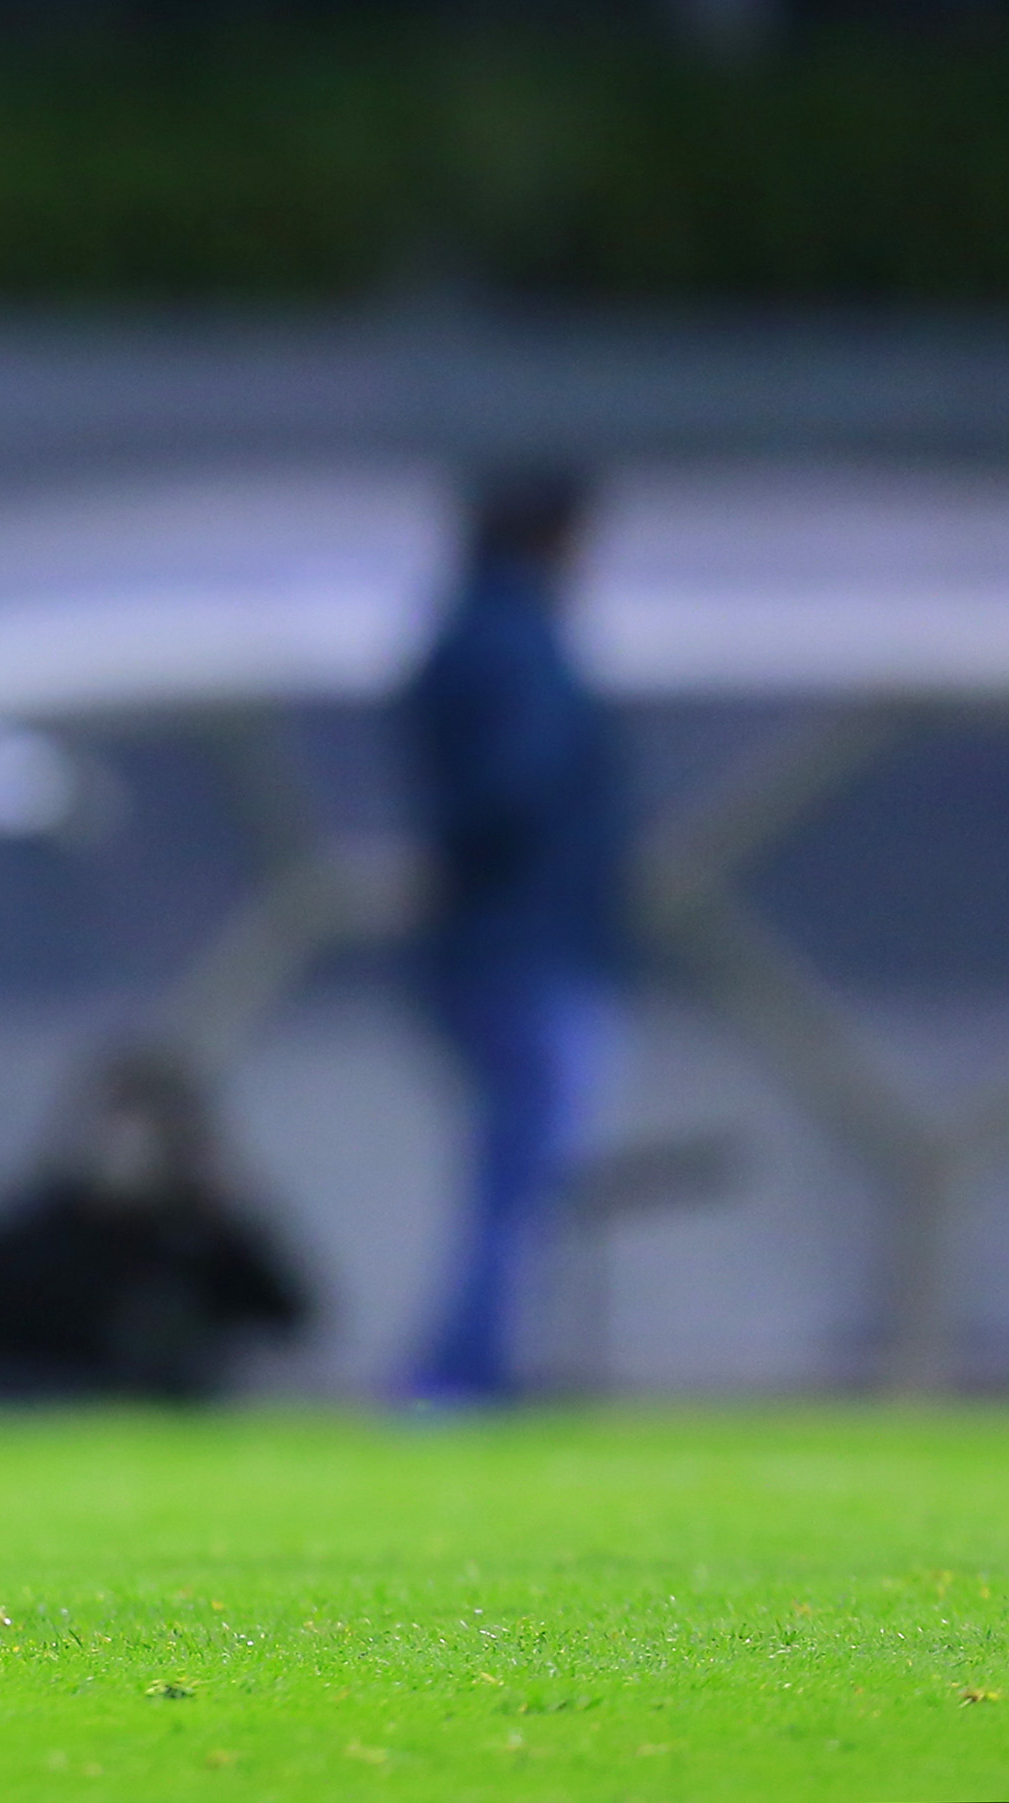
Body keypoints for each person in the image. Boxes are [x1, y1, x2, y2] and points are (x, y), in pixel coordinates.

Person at [397, 462, 627, 1404]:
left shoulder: (461, 631)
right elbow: (513, 787)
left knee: (516, 1166)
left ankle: (471, 1363)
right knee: (522, 1169)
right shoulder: (519, 640)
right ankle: (462, 1370)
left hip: (499, 939)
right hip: (530, 942)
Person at [0, 1049, 308, 1400]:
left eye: (156, 1135)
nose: (134, 1152)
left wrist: (225, 1211)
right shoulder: (22, 1244)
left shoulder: (201, 1242)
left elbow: (289, 1320)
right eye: (120, 1129)